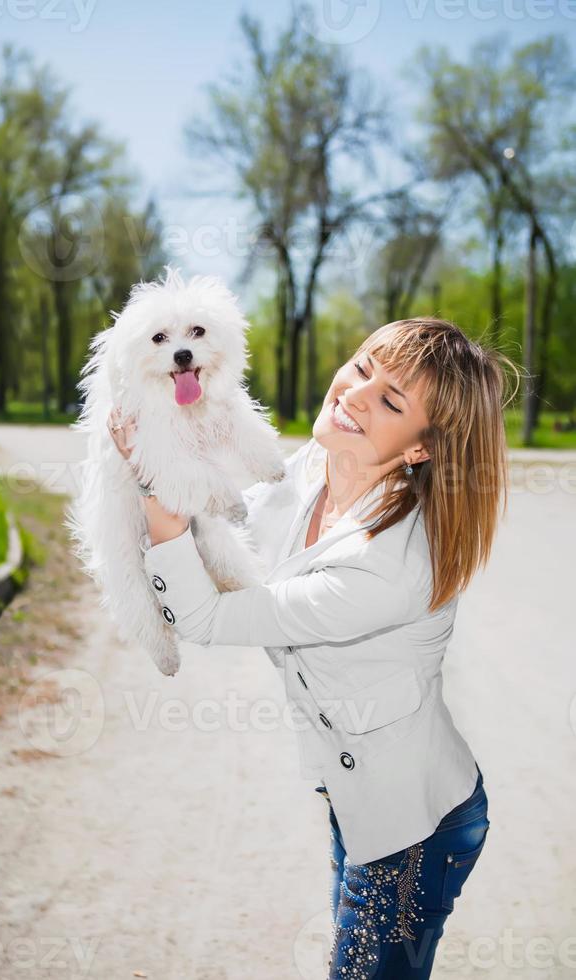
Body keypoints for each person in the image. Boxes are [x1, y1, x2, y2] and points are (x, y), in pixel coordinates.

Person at [107, 317, 518, 979]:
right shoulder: (314, 468)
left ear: (420, 448)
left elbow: (209, 616)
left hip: (415, 835)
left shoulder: (391, 565)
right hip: (357, 799)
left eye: (390, 401)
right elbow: (224, 521)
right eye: (361, 369)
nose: (356, 395)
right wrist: (166, 434)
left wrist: (156, 486)